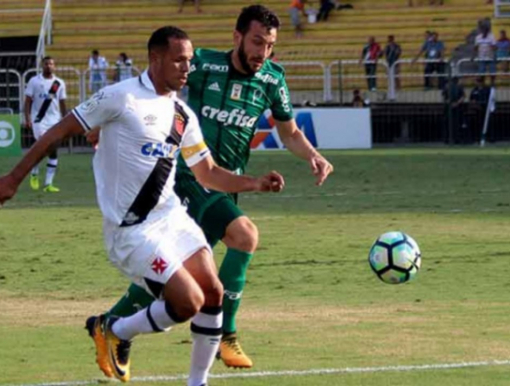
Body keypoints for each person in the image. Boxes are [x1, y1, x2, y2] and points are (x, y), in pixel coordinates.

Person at [0, 26, 285, 386]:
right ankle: (114, 328)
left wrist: (253, 182)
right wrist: (14, 178)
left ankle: (197, 382)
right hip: (131, 231)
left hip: (172, 218)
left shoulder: (182, 115)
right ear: (155, 59)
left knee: (213, 293)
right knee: (187, 302)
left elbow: (207, 173)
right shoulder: (120, 97)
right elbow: (56, 132)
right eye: (179, 60)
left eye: (190, 61)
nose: (186, 68)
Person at [90, 4, 334, 371]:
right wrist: (112, 122)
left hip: (226, 182)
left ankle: (109, 325)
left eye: (269, 45)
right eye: (256, 42)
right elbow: (156, 86)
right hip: (193, 176)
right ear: (237, 37)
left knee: (175, 273)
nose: (262, 53)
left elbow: (290, 132)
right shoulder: (203, 64)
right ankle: (226, 336)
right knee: (245, 235)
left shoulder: (271, 80)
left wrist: (313, 156)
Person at [24, 56, 68, 192]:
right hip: (39, 120)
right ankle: (34, 173)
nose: (49, 66)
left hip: (54, 121)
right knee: (43, 146)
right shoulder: (34, 81)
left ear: (54, 66)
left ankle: (48, 184)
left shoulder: (59, 83)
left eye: (51, 63)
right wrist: (28, 118)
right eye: (46, 63)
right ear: (42, 66)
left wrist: (65, 120)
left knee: (53, 151)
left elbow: (62, 103)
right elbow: (28, 101)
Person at [469, 76, 492, 144]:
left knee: (486, 124)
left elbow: (489, 99)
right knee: (477, 125)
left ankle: (488, 138)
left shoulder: (487, 89)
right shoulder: (474, 90)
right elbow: (471, 98)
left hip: (485, 109)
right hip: (476, 110)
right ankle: (477, 138)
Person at [442, 76, 465, 144]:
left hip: (450, 107)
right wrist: (457, 103)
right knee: (455, 124)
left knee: (450, 123)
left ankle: (448, 139)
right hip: (455, 107)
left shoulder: (447, 87)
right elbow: (462, 97)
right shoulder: (458, 87)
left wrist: (449, 103)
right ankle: (455, 139)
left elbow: (444, 97)